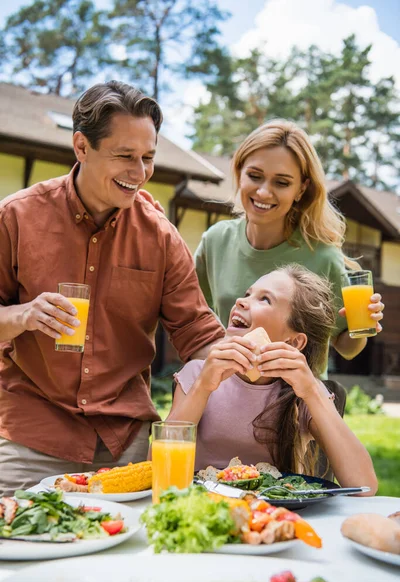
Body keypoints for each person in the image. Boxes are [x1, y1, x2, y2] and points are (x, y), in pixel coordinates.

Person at [0, 80, 225, 496]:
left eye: (148, 158)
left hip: (125, 440)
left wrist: (248, 357)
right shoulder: (16, 218)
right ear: (82, 147)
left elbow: (198, 335)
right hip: (32, 434)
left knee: (140, 553)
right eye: (125, 156)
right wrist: (22, 314)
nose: (139, 174)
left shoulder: (160, 236)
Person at [194, 119, 384, 378]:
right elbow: (192, 321)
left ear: (301, 188)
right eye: (255, 176)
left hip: (297, 405)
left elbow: (347, 347)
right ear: (239, 173)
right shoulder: (215, 242)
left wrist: (363, 326)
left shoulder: (322, 256)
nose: (263, 192)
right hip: (226, 394)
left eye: (281, 183)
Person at [168, 265, 378, 494]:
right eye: (247, 294)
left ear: (294, 342)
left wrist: (312, 391)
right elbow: (159, 469)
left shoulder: (303, 391)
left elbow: (363, 488)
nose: (241, 301)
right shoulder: (197, 374)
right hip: (203, 511)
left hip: (273, 517)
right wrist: (203, 387)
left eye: (265, 299)